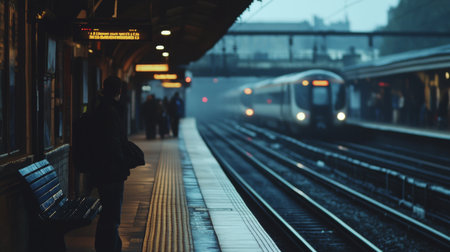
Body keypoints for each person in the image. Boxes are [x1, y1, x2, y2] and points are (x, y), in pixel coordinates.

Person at [91, 76, 130, 252]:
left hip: (102, 170)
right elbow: (114, 143)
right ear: (119, 91)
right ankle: (109, 248)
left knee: (107, 214)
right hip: (111, 171)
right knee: (112, 215)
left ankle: (108, 246)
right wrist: (123, 161)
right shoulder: (111, 111)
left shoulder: (101, 108)